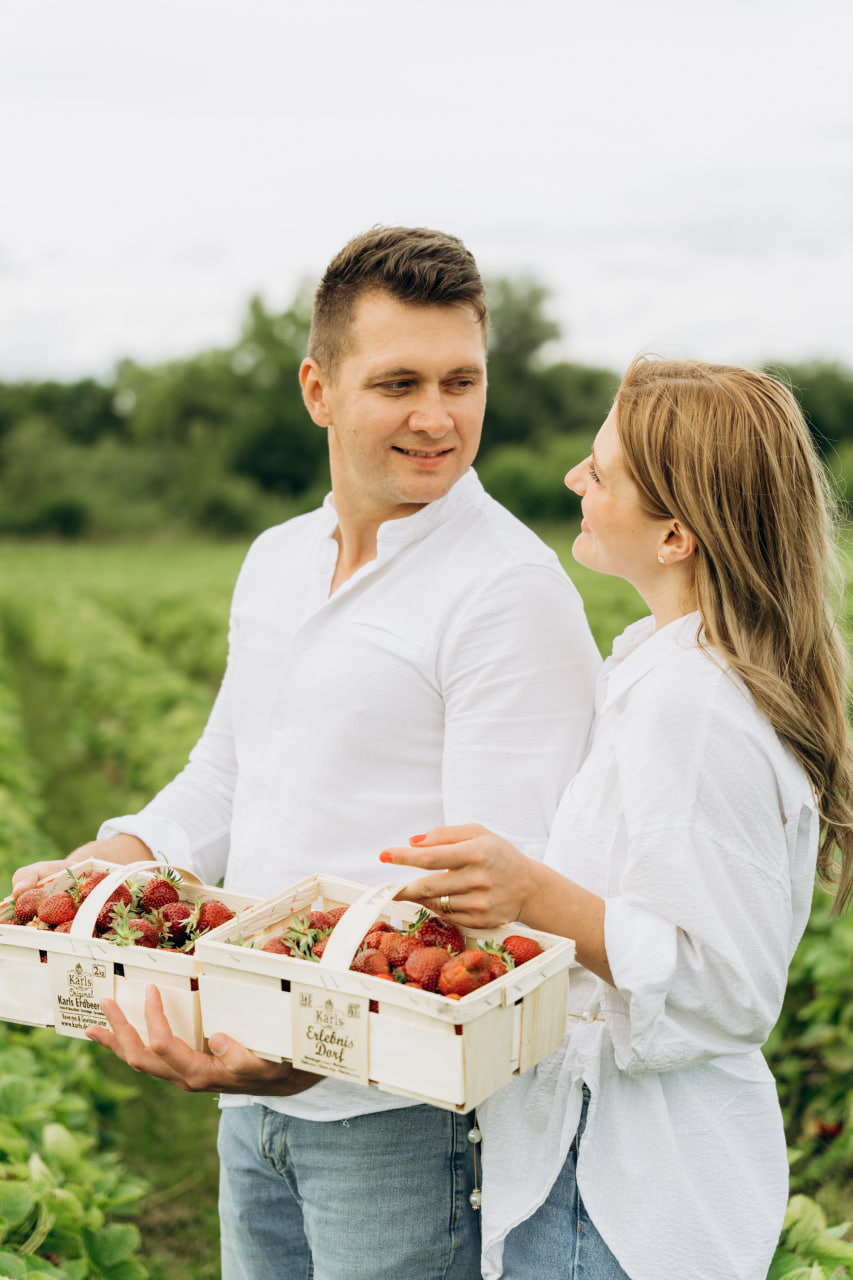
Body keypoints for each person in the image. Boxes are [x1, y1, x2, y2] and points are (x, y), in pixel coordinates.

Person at [12, 226, 601, 1280]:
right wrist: (118, 855)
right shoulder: (276, 560)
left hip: (404, 1114)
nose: (438, 416)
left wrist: (309, 1038)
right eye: (398, 382)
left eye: (462, 380)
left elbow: (489, 899)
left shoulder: (505, 590)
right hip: (254, 1084)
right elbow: (227, 769)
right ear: (318, 389)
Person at [382, 356, 853, 1280]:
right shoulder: (661, 663)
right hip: (592, 1163)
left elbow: (726, 987)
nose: (573, 480)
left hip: (621, 1189)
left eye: (598, 471)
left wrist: (533, 892)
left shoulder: (694, 706)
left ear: (675, 534)